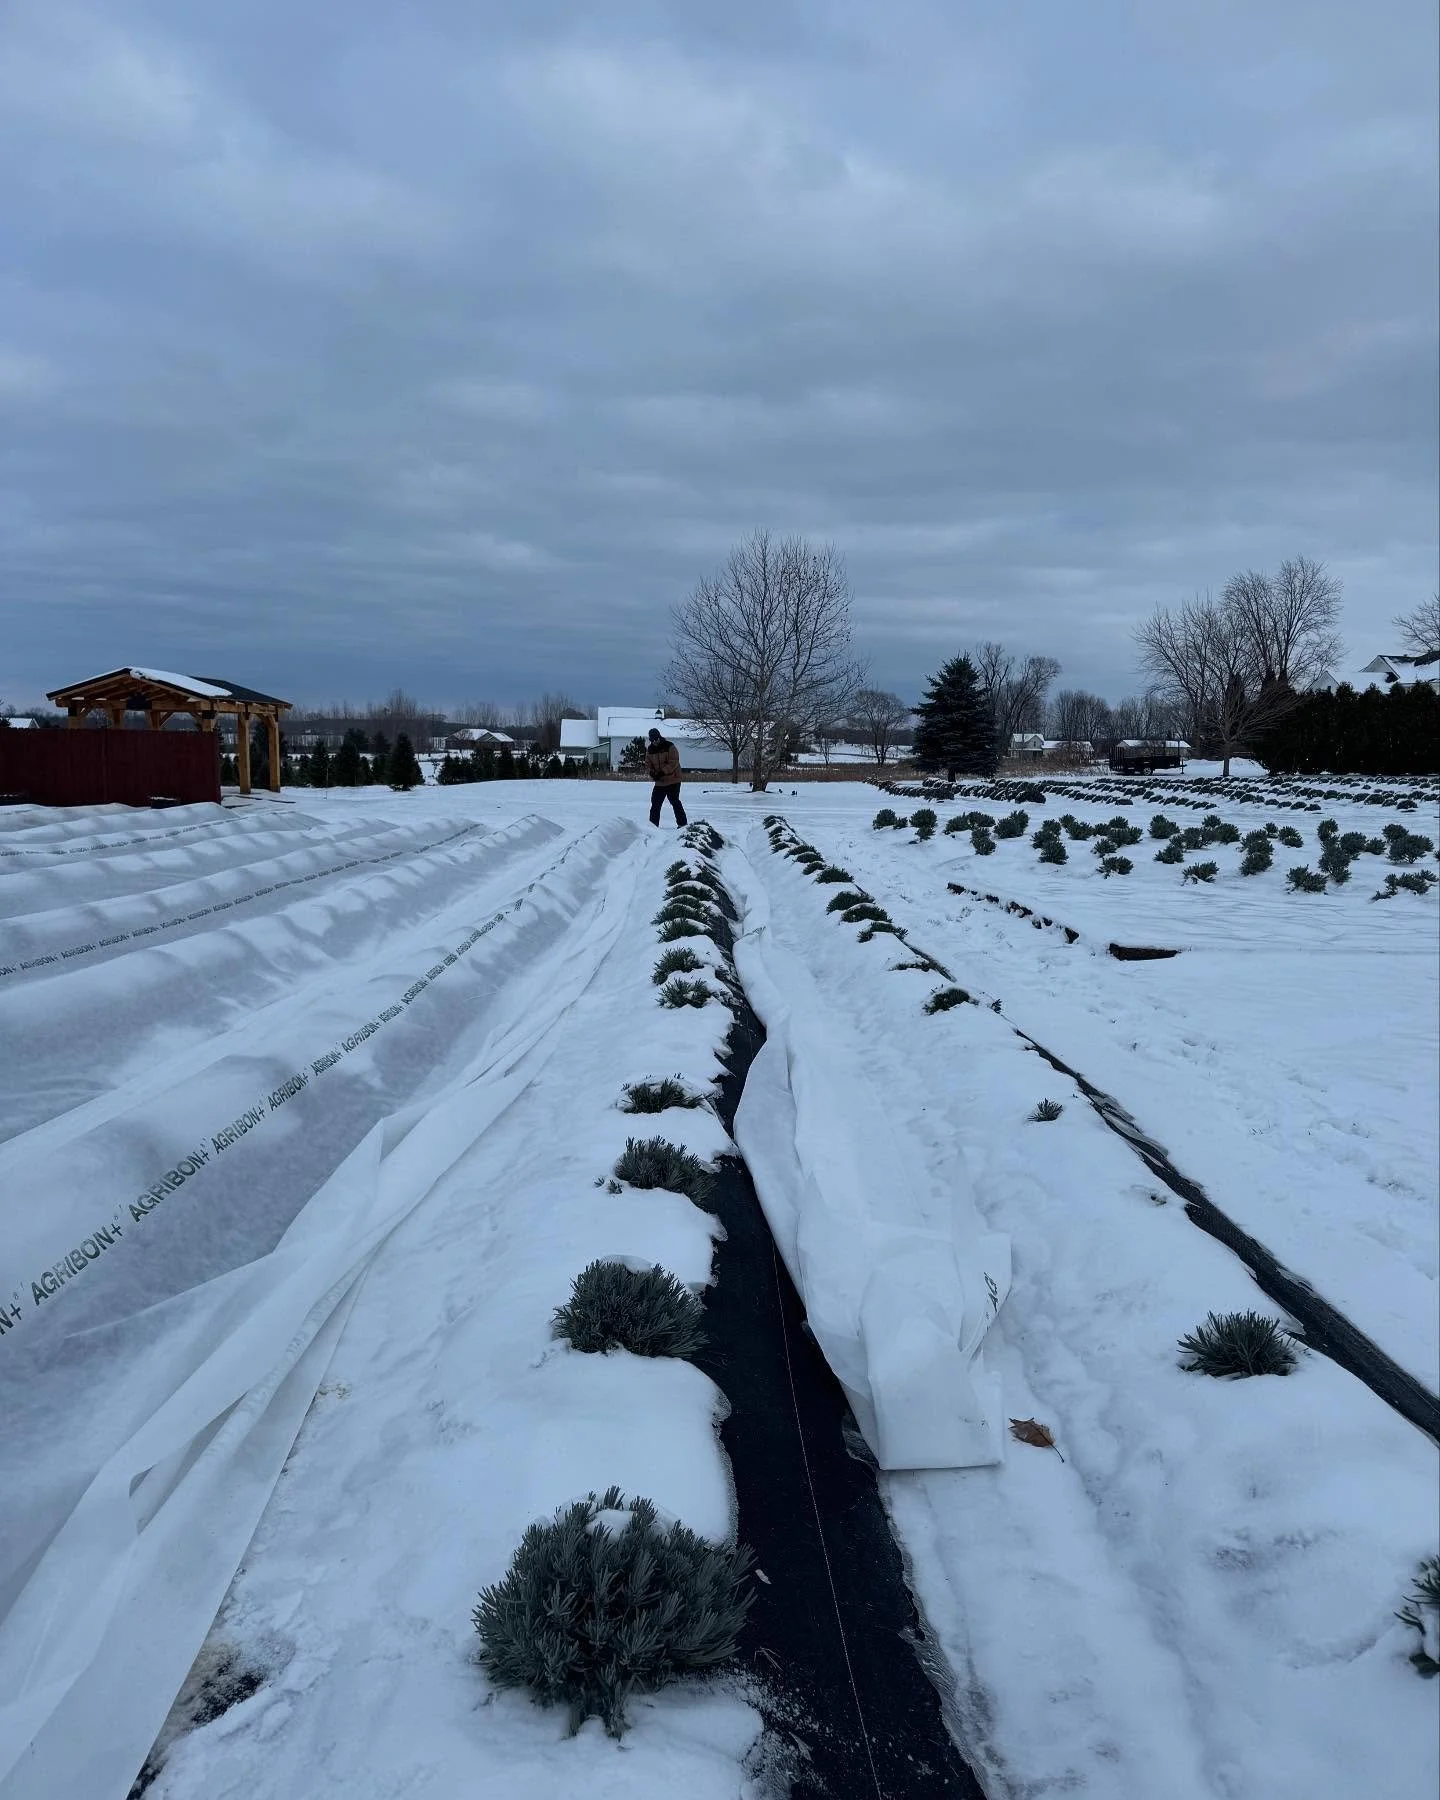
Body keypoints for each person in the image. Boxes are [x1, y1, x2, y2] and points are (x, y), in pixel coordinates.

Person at [644, 727, 688, 827]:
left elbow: (674, 762)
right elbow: (647, 764)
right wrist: (652, 773)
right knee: (655, 803)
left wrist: (662, 772)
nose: (655, 741)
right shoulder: (650, 750)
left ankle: (682, 824)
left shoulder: (669, 746)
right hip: (660, 781)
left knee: (675, 801)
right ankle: (653, 827)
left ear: (659, 737)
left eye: (656, 739)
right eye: (652, 740)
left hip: (673, 779)